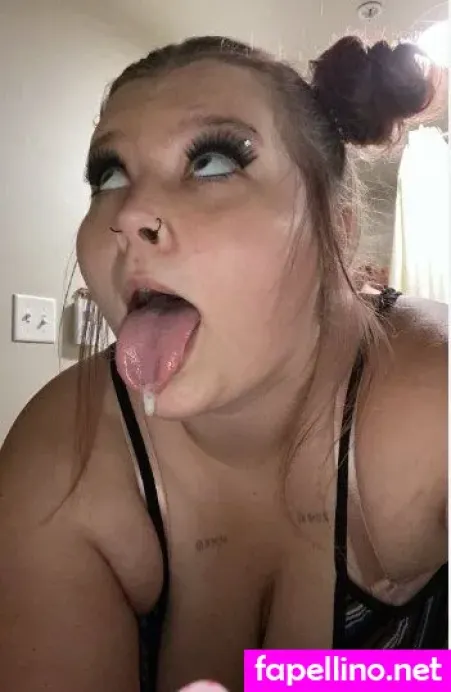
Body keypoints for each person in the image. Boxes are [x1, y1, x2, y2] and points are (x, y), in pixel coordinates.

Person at [0, 34, 447, 692]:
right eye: (109, 176)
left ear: (339, 226)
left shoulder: (433, 394)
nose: (128, 213)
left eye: (212, 162)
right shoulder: (61, 451)